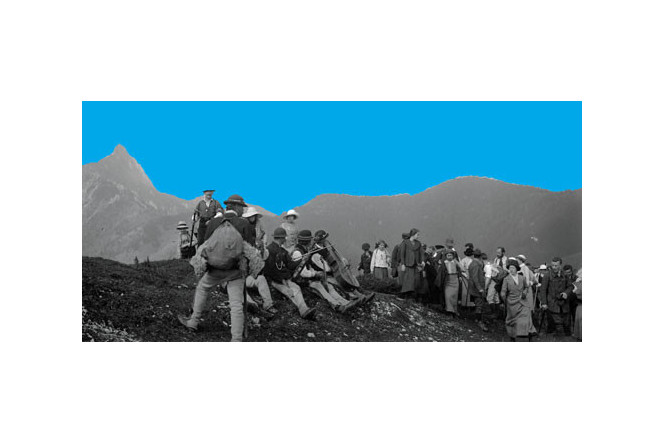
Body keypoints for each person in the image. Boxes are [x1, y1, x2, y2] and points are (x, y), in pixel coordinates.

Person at [178, 216, 247, 341]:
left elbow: (205, 245)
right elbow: (249, 249)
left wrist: (203, 266)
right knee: (236, 304)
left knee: (202, 288)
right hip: (235, 272)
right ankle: (236, 338)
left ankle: (193, 321)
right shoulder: (242, 223)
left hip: (215, 270)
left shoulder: (214, 224)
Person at [291, 230, 360, 313]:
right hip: (301, 280)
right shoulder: (298, 253)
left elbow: (308, 267)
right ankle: (336, 306)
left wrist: (316, 273)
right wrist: (315, 273)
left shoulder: (304, 250)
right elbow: (303, 272)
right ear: (306, 241)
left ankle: (345, 302)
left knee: (328, 286)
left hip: (310, 277)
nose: (311, 242)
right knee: (319, 287)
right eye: (310, 241)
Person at [263, 227, 316, 320]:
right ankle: (303, 310)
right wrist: (283, 281)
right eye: (284, 237)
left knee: (296, 288)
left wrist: (302, 259)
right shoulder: (269, 250)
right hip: (275, 280)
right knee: (290, 291)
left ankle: (304, 310)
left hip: (283, 278)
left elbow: (291, 265)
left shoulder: (281, 251)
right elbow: (269, 270)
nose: (285, 239)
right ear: (282, 238)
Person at [501, 258, 537, 341]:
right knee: (513, 320)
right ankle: (513, 336)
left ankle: (526, 333)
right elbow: (503, 291)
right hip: (512, 303)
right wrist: (504, 299)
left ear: (517, 269)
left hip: (522, 301)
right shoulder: (506, 279)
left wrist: (524, 293)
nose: (511, 270)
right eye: (510, 268)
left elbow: (526, 287)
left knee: (525, 316)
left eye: (513, 268)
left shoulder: (522, 278)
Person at [539, 257, 574, 336]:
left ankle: (567, 336)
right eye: (553, 265)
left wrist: (566, 293)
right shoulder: (547, 275)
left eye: (556, 265)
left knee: (566, 323)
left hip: (564, 303)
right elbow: (543, 290)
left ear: (560, 265)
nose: (554, 267)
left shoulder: (565, 275)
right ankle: (555, 336)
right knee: (554, 324)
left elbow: (570, 286)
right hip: (552, 303)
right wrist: (544, 303)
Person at [434, 250, 462, 317]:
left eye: (451, 255)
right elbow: (441, 272)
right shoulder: (444, 263)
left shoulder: (455, 262)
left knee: (454, 296)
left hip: (455, 280)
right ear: (446, 256)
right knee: (448, 296)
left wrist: (460, 276)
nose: (450, 257)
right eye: (448, 255)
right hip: (447, 280)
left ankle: (454, 310)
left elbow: (460, 269)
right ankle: (449, 310)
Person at [399, 228, 424, 300]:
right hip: (408, 265)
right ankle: (406, 295)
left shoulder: (418, 243)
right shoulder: (405, 243)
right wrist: (403, 264)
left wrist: (422, 261)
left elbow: (421, 253)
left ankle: (413, 296)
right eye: (417, 235)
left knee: (415, 281)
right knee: (407, 281)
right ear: (413, 234)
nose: (418, 236)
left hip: (416, 265)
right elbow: (402, 254)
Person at [468, 248, 489, 332]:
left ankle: (479, 319)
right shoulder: (476, 265)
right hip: (477, 288)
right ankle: (479, 321)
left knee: (479, 304)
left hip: (475, 287)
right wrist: (480, 288)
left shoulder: (473, 263)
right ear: (480, 256)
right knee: (479, 305)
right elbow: (475, 278)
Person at [572, 269, 582, 341]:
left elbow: (577, 292)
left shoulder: (579, 283)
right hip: (580, 304)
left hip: (581, 304)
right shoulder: (579, 282)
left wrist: (576, 283)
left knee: (581, 320)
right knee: (579, 320)